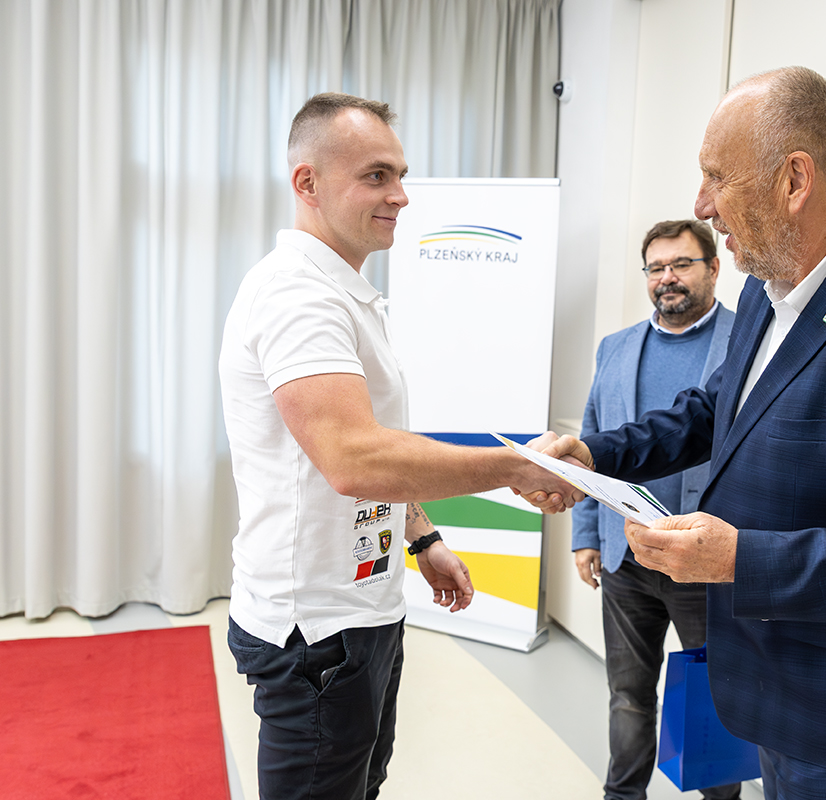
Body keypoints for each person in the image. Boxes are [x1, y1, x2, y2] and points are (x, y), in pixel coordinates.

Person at [534, 67, 826, 800]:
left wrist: (739, 559)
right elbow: (715, 410)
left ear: (794, 180)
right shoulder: (768, 287)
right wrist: (597, 452)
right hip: (764, 679)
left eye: (717, 177)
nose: (701, 204)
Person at [217, 92, 579, 800]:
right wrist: (518, 465)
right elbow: (354, 460)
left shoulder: (343, 292)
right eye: (376, 176)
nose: (402, 196)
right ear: (308, 183)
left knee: (361, 784)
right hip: (316, 630)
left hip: (366, 609)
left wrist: (422, 538)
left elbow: (371, 449)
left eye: (401, 175)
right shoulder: (297, 298)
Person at [573, 219, 737, 800]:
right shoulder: (615, 348)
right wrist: (586, 535)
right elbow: (593, 437)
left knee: (716, 697)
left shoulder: (746, 344)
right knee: (628, 695)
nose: (667, 277)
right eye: (656, 267)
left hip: (704, 561)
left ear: (713, 268)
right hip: (626, 558)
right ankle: (623, 795)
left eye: (681, 264)